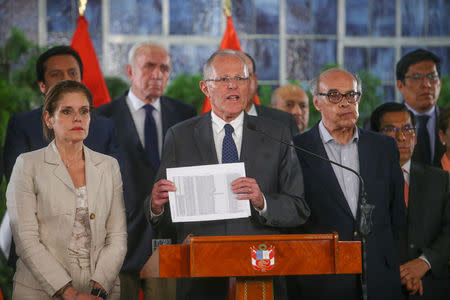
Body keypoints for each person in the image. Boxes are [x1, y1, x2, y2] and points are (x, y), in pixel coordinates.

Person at [146, 49, 310, 299]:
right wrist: (156, 206)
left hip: (259, 271)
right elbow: (166, 219)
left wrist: (262, 201)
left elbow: (298, 208)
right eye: (223, 79)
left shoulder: (276, 134)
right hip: (200, 276)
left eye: (241, 79)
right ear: (205, 87)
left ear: (250, 85)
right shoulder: (180, 136)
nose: (233, 86)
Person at [289, 68, 405, 300]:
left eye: (351, 95)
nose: (345, 103)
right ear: (316, 102)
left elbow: (397, 215)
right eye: (334, 96)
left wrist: (392, 264)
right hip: (321, 280)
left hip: (380, 279)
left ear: (359, 99)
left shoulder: (383, 147)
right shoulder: (296, 149)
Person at [6, 80, 127, 299]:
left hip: (100, 288)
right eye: (67, 111)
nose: (78, 118)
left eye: (84, 111)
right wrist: (70, 293)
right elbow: (26, 241)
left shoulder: (109, 166)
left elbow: (117, 236)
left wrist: (99, 287)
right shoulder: (27, 165)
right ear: (48, 119)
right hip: (40, 289)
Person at [3, 45, 118, 270]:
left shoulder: (104, 127)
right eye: (56, 74)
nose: (66, 79)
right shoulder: (22, 125)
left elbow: (112, 188)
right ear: (42, 86)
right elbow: (21, 187)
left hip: (93, 253)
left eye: (73, 73)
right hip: (38, 249)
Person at [96, 42, 196, 300]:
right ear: (130, 71)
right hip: (117, 243)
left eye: (164, 68)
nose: (157, 74)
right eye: (149, 66)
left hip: (167, 241)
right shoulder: (101, 119)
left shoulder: (185, 115)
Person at [370, 102, 449, 299]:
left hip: (432, 286)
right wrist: (399, 275)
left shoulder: (441, 179)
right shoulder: (363, 181)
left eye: (407, 129)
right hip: (379, 287)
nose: (401, 137)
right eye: (390, 130)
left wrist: (424, 263)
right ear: (375, 137)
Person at [396, 49, 445, 167]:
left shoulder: (447, 119)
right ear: (400, 85)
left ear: (440, 83)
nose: (426, 84)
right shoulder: (381, 123)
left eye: (432, 76)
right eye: (416, 77)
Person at [241, 52, 299, 136]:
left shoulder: (284, 122)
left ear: (255, 80)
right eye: (226, 78)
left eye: (245, 77)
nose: (237, 84)